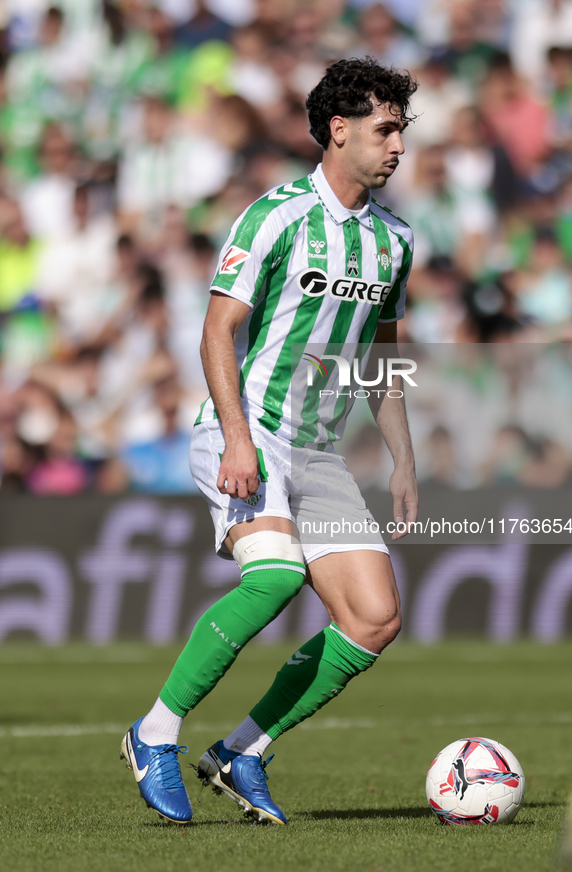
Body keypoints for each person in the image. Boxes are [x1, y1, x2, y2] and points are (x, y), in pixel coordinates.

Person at [121, 57, 418, 826]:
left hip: (317, 451)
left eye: (402, 132)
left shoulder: (394, 241)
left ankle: (242, 751)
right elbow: (218, 328)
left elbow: (380, 356)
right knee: (275, 578)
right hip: (245, 432)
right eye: (385, 130)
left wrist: (403, 457)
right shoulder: (275, 215)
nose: (397, 146)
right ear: (337, 129)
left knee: (375, 618)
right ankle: (154, 734)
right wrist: (235, 438)